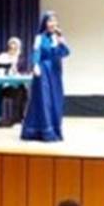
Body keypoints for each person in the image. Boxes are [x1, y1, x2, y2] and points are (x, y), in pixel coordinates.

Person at [22, 10, 71, 142]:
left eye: (54, 21)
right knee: (44, 100)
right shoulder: (39, 38)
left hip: (55, 71)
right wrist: (35, 65)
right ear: (45, 23)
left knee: (56, 99)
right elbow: (36, 52)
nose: (52, 23)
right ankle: (44, 131)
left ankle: (55, 129)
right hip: (43, 70)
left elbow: (65, 53)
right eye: (50, 21)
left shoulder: (57, 38)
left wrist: (61, 41)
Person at [0, 36, 28, 125]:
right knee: (19, 92)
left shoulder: (21, 58)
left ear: (18, 46)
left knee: (23, 91)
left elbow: (25, 71)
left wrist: (17, 71)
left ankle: (20, 117)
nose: (13, 46)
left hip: (18, 83)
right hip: (6, 86)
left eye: (15, 44)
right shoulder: (3, 56)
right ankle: (16, 119)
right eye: (11, 44)